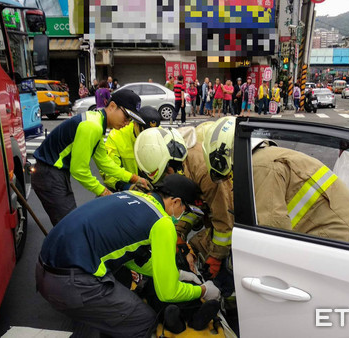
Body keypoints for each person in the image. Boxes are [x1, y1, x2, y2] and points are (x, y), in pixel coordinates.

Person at [36, 174, 221, 338]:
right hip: (70, 284)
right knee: (142, 320)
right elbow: (168, 293)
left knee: (123, 277)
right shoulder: (162, 223)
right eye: (185, 210)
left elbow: (132, 256)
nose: (183, 215)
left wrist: (177, 274)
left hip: (45, 270)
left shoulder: (132, 196)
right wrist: (204, 290)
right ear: (176, 202)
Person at [203, 116, 349, 247]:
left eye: (228, 175)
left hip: (343, 247)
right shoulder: (266, 158)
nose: (231, 181)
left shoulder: (260, 167)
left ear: (225, 156)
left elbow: (271, 233)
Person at [31, 89, 150, 225]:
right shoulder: (92, 126)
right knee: (70, 228)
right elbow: (79, 170)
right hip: (49, 174)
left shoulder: (97, 122)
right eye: (127, 116)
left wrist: (135, 178)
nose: (127, 123)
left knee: (69, 226)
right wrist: (103, 192)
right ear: (112, 106)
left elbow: (104, 162)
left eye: (131, 120)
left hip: (54, 173)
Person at [134, 122, 234, 280]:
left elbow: (224, 218)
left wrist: (215, 258)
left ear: (170, 166)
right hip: (208, 208)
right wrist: (178, 235)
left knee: (227, 269)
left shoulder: (204, 170)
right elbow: (189, 206)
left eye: (165, 176)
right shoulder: (162, 156)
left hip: (234, 217)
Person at [102, 106, 162, 191]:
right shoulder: (116, 137)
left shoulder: (160, 133)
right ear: (135, 124)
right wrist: (127, 186)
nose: (149, 137)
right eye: (144, 132)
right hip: (128, 185)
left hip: (153, 183)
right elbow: (108, 173)